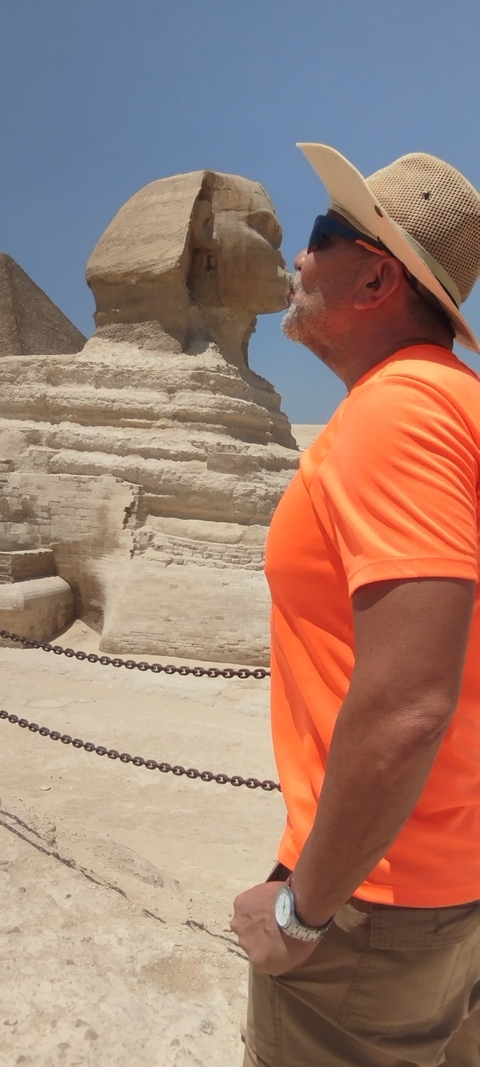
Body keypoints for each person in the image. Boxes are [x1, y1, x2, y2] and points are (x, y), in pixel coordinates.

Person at [231, 144, 480, 1067]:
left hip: (377, 908)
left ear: (377, 274)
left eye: (320, 234)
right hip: (452, 885)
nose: (296, 256)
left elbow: (411, 703)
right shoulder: (459, 405)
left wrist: (305, 907)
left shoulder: (396, 413)